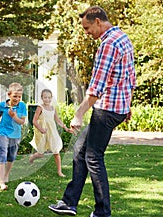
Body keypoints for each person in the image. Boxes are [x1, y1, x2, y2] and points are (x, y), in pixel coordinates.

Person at [48, 6, 136, 217]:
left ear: (98, 21)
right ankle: (69, 203)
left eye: (87, 28)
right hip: (117, 107)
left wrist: (78, 113)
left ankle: (102, 212)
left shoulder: (108, 44)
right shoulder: (122, 37)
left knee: (94, 157)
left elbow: (97, 86)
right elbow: (129, 77)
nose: (86, 33)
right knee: (80, 151)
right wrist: (127, 105)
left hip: (107, 109)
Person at [0, 82, 27, 190]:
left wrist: (14, 116)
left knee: (11, 157)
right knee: (2, 155)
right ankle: (1, 182)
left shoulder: (22, 106)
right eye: (15, 96)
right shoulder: (2, 105)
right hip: (3, 133)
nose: (17, 99)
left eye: (19, 96)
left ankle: (6, 175)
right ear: (9, 94)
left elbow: (22, 122)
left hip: (15, 135)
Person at [29, 89, 72, 177]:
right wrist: (41, 129)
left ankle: (59, 171)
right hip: (43, 132)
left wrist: (66, 127)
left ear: (51, 98)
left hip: (52, 132)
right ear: (42, 98)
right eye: (45, 97)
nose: (47, 99)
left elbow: (57, 120)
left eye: (49, 97)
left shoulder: (53, 108)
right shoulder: (40, 107)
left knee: (56, 152)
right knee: (41, 154)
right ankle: (32, 157)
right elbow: (34, 120)